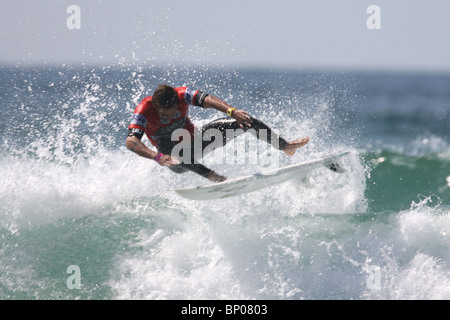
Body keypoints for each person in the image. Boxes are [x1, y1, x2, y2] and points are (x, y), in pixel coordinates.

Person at [126, 85, 309, 182]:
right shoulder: (144, 110)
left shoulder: (182, 94)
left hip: (196, 142)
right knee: (178, 153)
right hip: (171, 158)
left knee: (245, 121)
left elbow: (208, 99)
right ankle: (214, 178)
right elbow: (131, 142)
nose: (172, 116)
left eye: (175, 111)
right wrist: (156, 157)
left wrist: (232, 111)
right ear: (156, 107)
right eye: (166, 114)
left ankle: (286, 147)